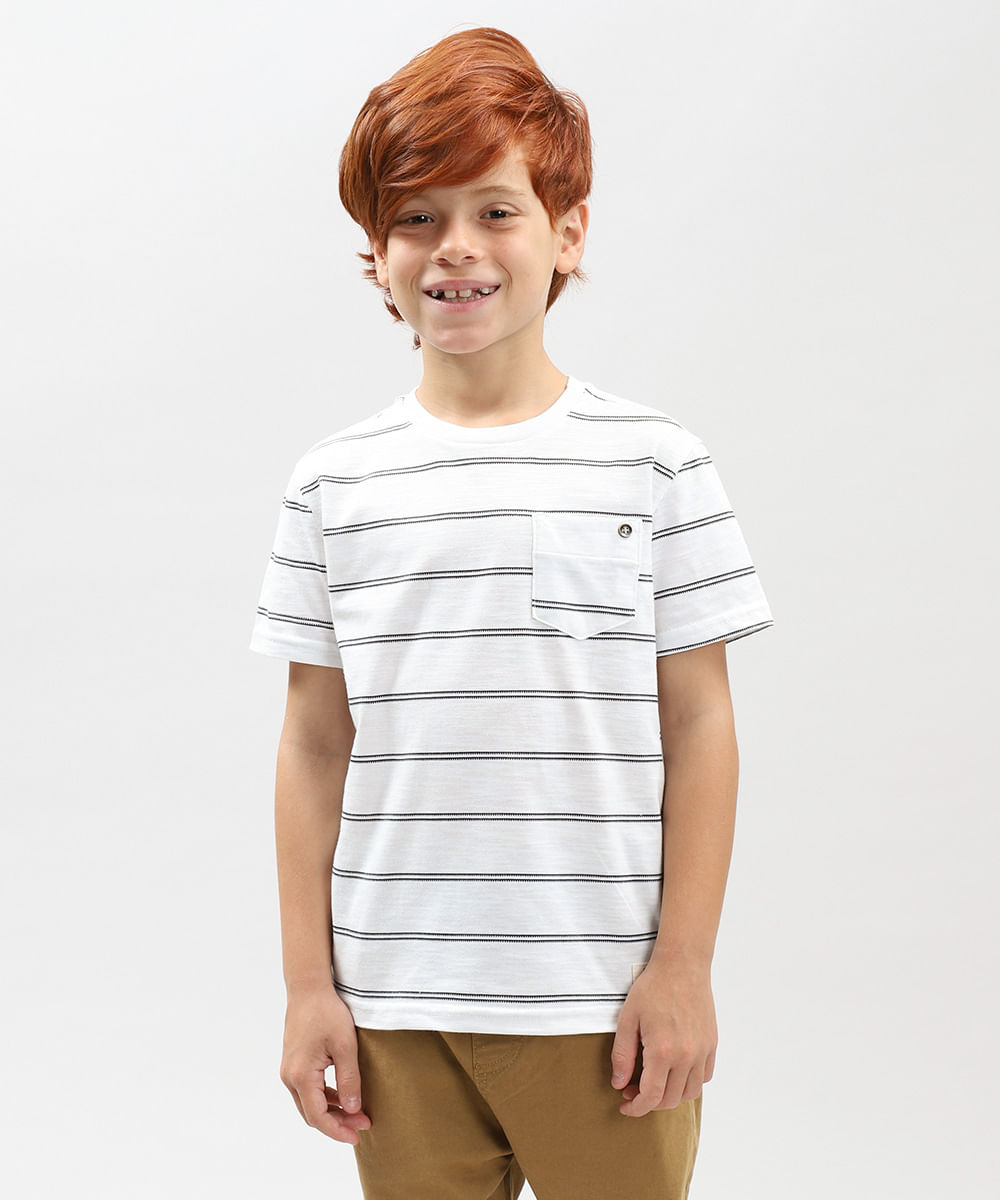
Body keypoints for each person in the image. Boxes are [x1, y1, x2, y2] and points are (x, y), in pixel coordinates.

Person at [249, 26, 773, 1200]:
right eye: (416, 217)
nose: (455, 247)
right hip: (392, 1010)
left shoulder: (655, 463)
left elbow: (700, 725)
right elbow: (313, 744)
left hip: (603, 1009)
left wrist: (683, 968)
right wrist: (308, 987)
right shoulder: (332, 485)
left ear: (566, 232)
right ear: (376, 251)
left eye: (495, 211)